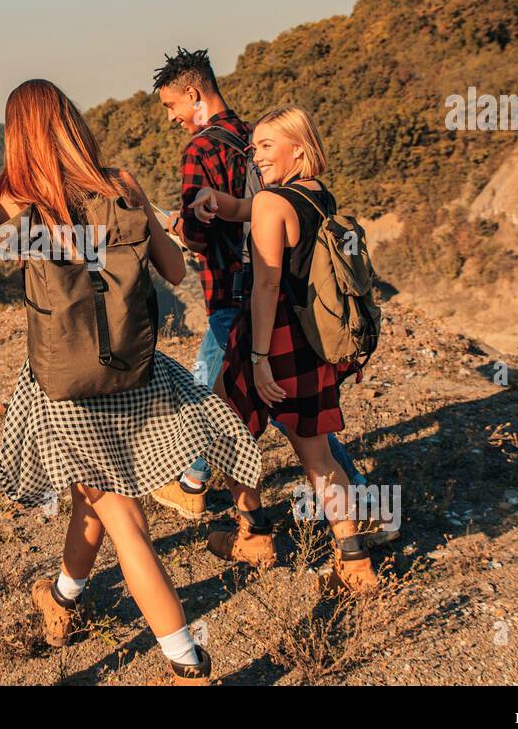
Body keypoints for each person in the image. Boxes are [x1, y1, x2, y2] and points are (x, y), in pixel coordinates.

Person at [0, 79, 264, 684]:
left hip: (66, 388)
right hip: (134, 374)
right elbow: (175, 269)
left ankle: (187, 663)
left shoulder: (16, 196)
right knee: (92, 498)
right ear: (73, 122)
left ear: (18, 136)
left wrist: (5, 202)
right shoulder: (121, 184)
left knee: (125, 520)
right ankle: (64, 597)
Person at [148, 47, 367, 521]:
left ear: (193, 94)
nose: (171, 118)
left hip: (241, 298)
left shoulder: (200, 149)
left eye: (172, 106)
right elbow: (255, 208)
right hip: (293, 305)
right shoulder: (257, 139)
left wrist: (174, 225)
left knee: (228, 411)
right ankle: (353, 518)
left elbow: (201, 235)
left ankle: (236, 514)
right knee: (300, 424)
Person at [191, 105, 378, 592]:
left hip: (269, 342)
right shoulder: (315, 196)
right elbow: (244, 210)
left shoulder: (273, 203)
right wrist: (214, 199)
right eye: (253, 147)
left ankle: (254, 534)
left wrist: (256, 359)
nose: (256, 156)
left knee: (224, 436)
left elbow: (266, 285)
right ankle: (354, 562)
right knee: (318, 458)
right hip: (310, 343)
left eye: (266, 146)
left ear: (299, 147)